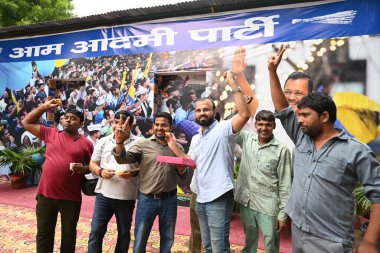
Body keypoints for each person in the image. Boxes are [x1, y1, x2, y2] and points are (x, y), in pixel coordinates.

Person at [268, 76, 380, 253]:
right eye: (298, 115)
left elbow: (378, 195)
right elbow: (282, 108)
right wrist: (272, 71)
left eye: (305, 115)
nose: (299, 120)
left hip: (331, 240)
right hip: (298, 231)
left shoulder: (356, 152)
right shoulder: (301, 137)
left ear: (325, 116)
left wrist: (370, 242)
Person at [169, 53, 251, 253]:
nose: (202, 113)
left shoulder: (224, 129)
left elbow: (244, 114)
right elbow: (191, 162)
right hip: (201, 196)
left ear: (214, 112)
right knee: (207, 246)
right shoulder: (197, 137)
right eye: (198, 111)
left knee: (219, 247)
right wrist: (172, 145)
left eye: (206, 110)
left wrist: (233, 84)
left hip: (219, 197)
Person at [112, 112, 191, 253]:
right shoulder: (143, 144)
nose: (160, 128)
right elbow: (122, 159)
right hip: (146, 199)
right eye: (157, 124)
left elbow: (184, 178)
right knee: (140, 238)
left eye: (164, 125)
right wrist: (119, 142)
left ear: (171, 126)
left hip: (170, 200)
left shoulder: (178, 148)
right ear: (153, 126)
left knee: (168, 238)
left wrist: (181, 170)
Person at [22, 99, 93, 253]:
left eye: (73, 118)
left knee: (68, 235)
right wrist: (44, 107)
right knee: (43, 233)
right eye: (66, 117)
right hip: (45, 195)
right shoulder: (51, 133)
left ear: (81, 123)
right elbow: (26, 122)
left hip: (71, 198)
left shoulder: (87, 144)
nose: (68, 120)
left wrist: (84, 168)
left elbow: (93, 168)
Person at [235, 110, 292, 253]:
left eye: (268, 125)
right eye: (260, 124)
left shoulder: (282, 150)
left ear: (274, 126)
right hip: (246, 200)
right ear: (255, 125)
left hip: (268, 204)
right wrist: (238, 110)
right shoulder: (246, 139)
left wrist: (283, 214)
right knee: (249, 241)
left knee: (271, 243)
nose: (263, 128)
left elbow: (285, 184)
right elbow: (231, 127)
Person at [87, 110, 139, 253]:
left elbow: (145, 168)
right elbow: (92, 164)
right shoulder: (104, 141)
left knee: (123, 234)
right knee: (96, 232)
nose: (119, 126)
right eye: (116, 122)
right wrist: (100, 172)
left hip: (127, 196)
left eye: (123, 123)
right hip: (104, 195)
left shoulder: (139, 142)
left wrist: (133, 172)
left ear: (131, 125)